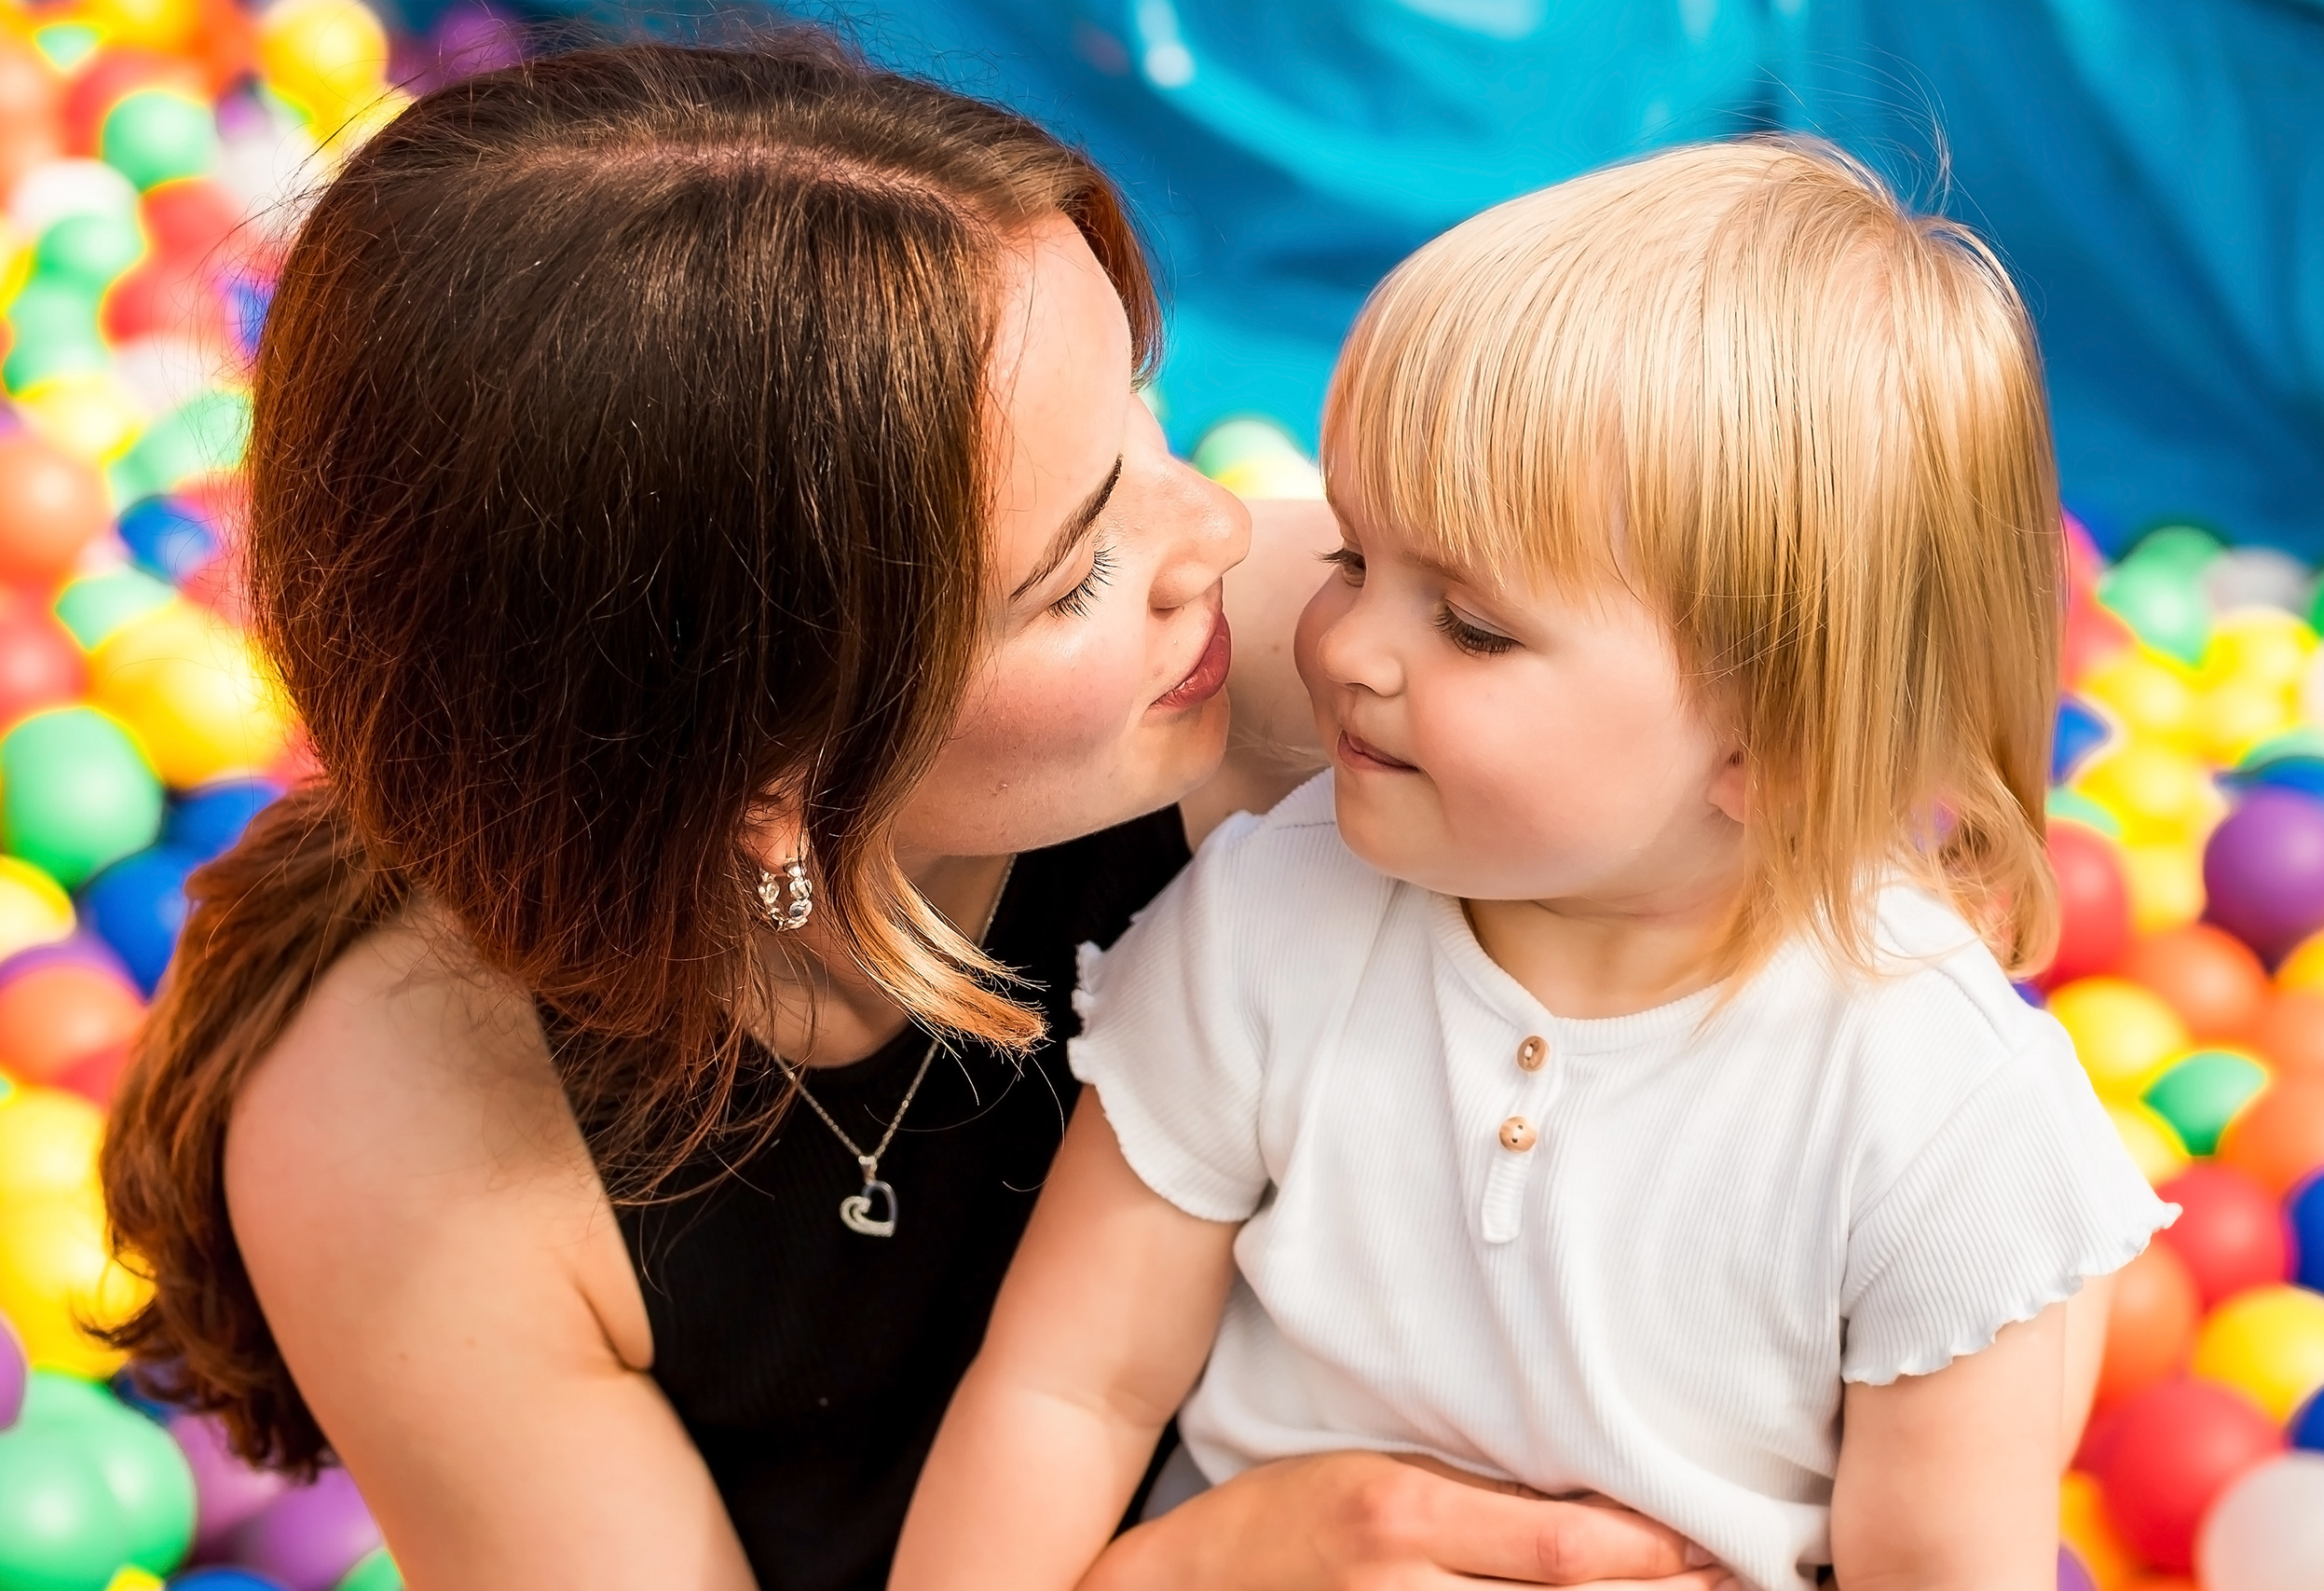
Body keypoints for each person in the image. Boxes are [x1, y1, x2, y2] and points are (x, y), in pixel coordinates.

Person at [97, 34, 1728, 1591]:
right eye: (1075, 570)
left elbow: (1827, 739)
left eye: (1144, 411)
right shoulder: (406, 1140)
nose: (1226, 527)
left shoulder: (1326, 669)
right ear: (761, 775)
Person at [891, 141, 2168, 1591]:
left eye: (1476, 627)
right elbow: (1072, 1389)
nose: (1348, 652)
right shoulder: (1269, 922)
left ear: (1780, 748)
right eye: (1356, 558)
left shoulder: (1936, 1117)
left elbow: (1938, 1565)